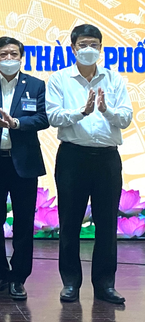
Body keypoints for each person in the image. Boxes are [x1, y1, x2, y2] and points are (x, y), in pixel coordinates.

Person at [46, 24, 132, 304]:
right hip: (73, 156)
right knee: (69, 222)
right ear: (73, 48)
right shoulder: (60, 79)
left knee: (107, 224)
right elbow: (54, 117)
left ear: (101, 48)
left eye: (94, 44)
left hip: (107, 158)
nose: (89, 50)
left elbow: (127, 118)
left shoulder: (114, 80)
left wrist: (107, 111)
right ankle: (70, 283)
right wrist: (80, 112)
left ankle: (105, 285)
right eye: (83, 45)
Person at [0, 36, 49, 301]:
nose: (8, 58)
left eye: (13, 53)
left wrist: (17, 124)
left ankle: (18, 277)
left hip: (24, 164)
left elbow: (43, 118)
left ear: (21, 57)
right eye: (3, 54)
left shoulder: (36, 85)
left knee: (23, 223)